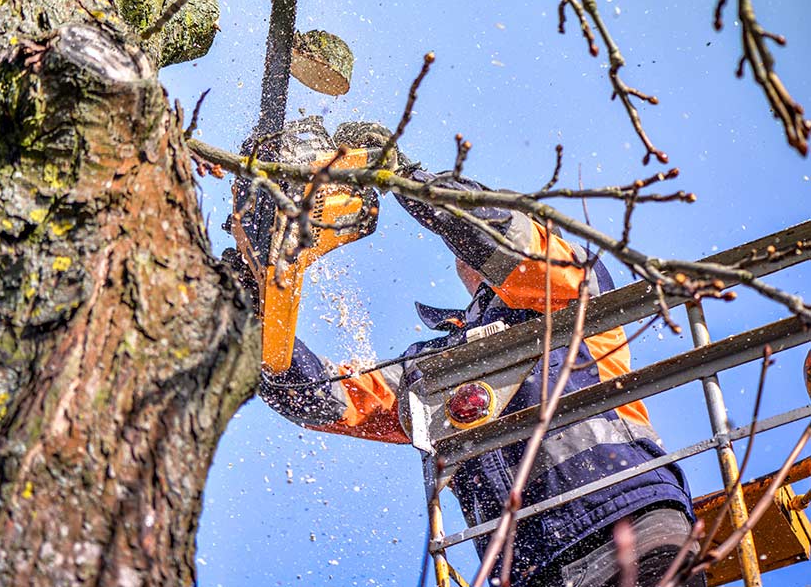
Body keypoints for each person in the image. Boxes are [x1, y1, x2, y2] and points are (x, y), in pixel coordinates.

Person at [254, 124, 704, 587]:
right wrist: (257, 319)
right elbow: (326, 400)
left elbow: (501, 238)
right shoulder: (437, 364)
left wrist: (405, 178)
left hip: (626, 521)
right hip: (531, 570)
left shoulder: (573, 289)